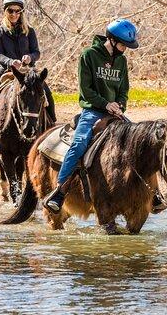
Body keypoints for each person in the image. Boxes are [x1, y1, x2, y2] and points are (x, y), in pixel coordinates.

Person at [43, 18, 139, 213]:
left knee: (139, 141)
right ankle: (59, 191)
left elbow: (123, 90)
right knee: (79, 143)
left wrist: (119, 105)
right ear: (111, 40)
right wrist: (105, 104)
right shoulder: (89, 55)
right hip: (92, 111)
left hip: (115, 112)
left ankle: (151, 195)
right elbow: (86, 91)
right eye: (123, 44)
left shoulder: (121, 60)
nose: (125, 49)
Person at [0, 0, 57, 122]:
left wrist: (30, 58)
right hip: (5, 69)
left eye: (18, 11)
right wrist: (11, 62)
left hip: (27, 70)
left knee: (47, 94)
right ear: (6, 11)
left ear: (22, 12)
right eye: (10, 10)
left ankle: (52, 121)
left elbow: (36, 52)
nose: (14, 14)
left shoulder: (29, 31)